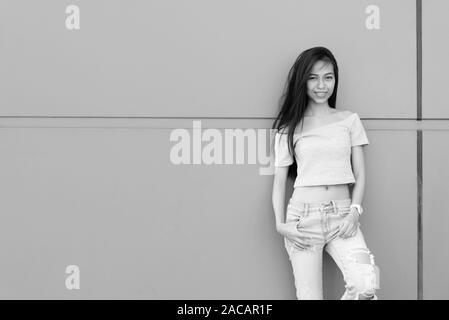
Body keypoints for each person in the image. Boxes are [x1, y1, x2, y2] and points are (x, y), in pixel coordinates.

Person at [271, 47, 380, 300]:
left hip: (343, 217)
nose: (322, 85)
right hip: (302, 221)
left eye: (328, 77)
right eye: (313, 77)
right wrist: (280, 225)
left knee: (366, 284)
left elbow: (360, 175)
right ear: (303, 81)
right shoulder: (289, 128)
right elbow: (278, 183)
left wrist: (355, 211)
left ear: (335, 80)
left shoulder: (349, 120)